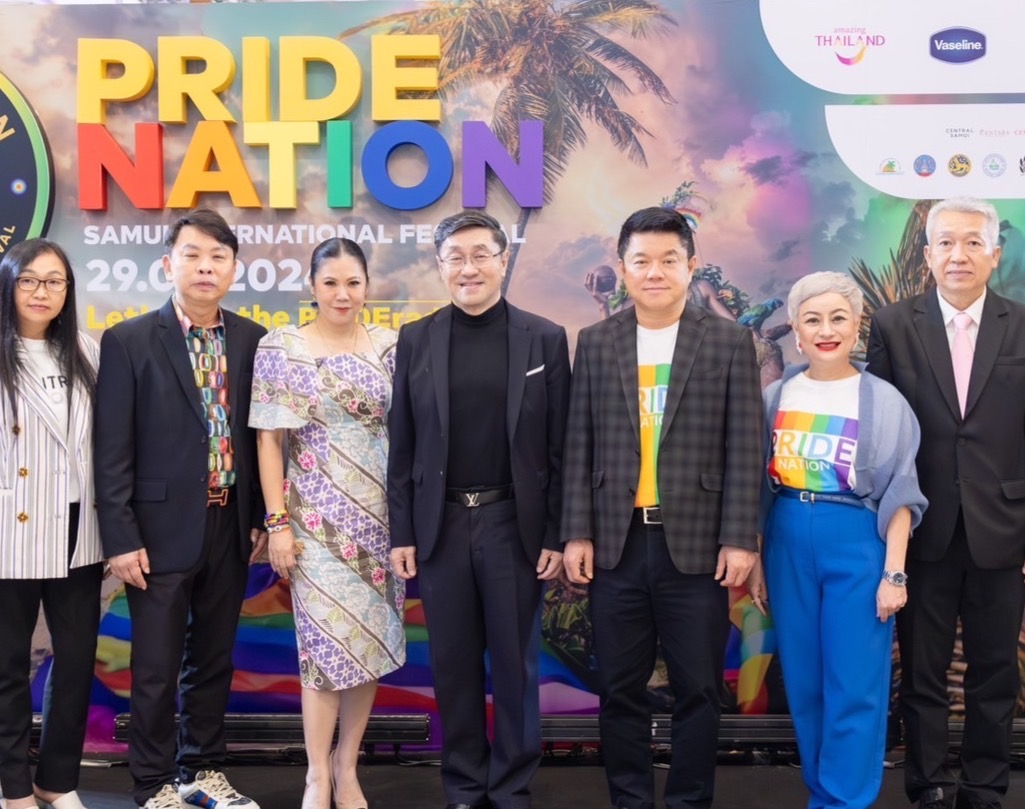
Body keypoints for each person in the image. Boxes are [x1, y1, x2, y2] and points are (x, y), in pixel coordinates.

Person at [866, 196, 1025, 809]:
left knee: (995, 671)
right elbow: (881, 435)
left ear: (995, 254)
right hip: (921, 528)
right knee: (922, 672)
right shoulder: (893, 324)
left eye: (974, 242)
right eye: (947, 243)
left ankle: (983, 786)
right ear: (928, 254)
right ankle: (927, 783)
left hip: (1004, 530)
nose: (960, 254)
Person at [562, 206, 763, 809]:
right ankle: (630, 800)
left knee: (698, 688)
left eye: (669, 260)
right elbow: (578, 442)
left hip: (698, 548)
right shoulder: (596, 342)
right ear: (623, 268)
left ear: (690, 266)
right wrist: (576, 532)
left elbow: (745, 446)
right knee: (619, 688)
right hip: (616, 544)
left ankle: (688, 801)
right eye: (642, 260)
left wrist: (740, 538)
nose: (655, 272)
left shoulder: (728, 341)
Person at [387, 210, 570, 809]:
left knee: (516, 666)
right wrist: (402, 532)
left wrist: (555, 533)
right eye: (455, 258)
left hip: (514, 524)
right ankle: (464, 786)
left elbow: (561, 447)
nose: (468, 268)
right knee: (453, 664)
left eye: (480, 255)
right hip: (439, 526)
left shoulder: (544, 337)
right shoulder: (416, 338)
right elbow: (402, 444)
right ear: (441, 266)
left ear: (502, 260)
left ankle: (512, 786)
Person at [95, 209, 266, 809]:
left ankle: (203, 769)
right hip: (157, 530)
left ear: (234, 270)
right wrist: (120, 536)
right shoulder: (129, 340)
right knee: (156, 666)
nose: (205, 267)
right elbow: (111, 449)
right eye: (192, 255)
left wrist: (259, 517)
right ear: (169, 264)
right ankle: (152, 782)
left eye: (218, 257)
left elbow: (261, 438)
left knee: (213, 659)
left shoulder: (253, 340)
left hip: (230, 523)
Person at [0, 239, 102, 809]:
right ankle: (15, 791)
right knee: (8, 671)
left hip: (78, 532)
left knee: (76, 664)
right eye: (30, 280)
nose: (42, 292)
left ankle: (56, 781)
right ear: (9, 285)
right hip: (6, 534)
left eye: (55, 281)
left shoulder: (85, 349)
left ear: (68, 291)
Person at [759, 271, 927, 809]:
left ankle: (844, 801)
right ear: (796, 330)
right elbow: (757, 486)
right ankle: (823, 793)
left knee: (854, 684)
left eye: (838, 318)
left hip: (856, 540)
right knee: (805, 683)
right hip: (786, 538)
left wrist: (893, 573)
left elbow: (901, 493)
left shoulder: (884, 400)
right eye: (813, 320)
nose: (826, 330)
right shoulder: (776, 395)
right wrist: (759, 559)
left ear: (857, 327)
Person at [250, 238, 405, 809]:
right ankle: (317, 774)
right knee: (322, 649)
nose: (343, 294)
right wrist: (278, 524)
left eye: (353, 283)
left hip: (381, 523)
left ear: (367, 287)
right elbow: (269, 441)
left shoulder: (391, 346)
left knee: (367, 643)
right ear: (312, 287)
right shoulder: (282, 346)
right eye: (331, 283)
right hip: (313, 523)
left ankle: (347, 766)